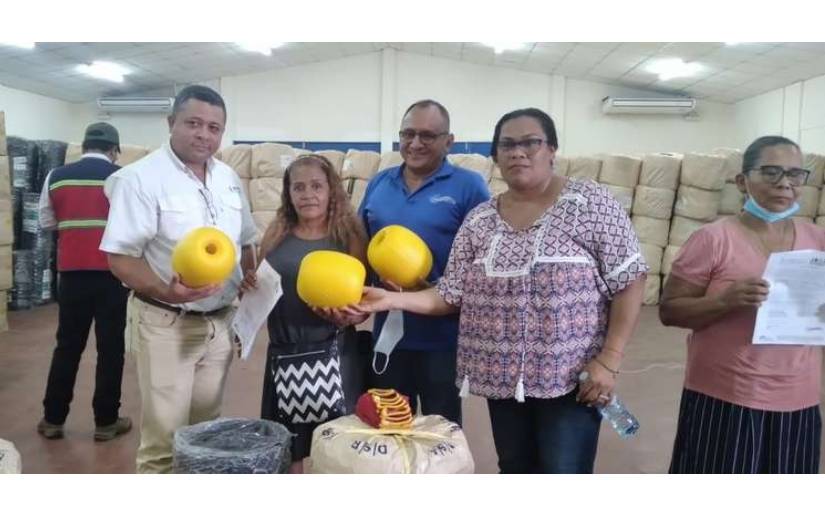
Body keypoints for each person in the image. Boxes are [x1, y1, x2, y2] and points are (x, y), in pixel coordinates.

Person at [356, 107, 648, 473]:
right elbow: (450, 293)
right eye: (507, 144)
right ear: (495, 155)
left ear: (552, 149)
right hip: (503, 382)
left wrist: (610, 358)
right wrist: (390, 298)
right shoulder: (482, 220)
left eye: (531, 142)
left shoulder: (590, 203)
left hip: (571, 379)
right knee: (514, 468)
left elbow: (630, 278)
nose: (518, 152)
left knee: (563, 472)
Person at [100, 85, 258, 473]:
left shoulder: (228, 177)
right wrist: (163, 288)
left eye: (214, 127)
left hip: (218, 323)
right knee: (164, 442)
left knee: (206, 435)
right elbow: (119, 257)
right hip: (167, 322)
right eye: (193, 123)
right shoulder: (140, 179)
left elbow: (247, 237)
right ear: (171, 123)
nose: (204, 134)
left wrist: (252, 273)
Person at [660, 135, 823, 474]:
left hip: (799, 396)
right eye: (771, 172)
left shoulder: (817, 242)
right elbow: (670, 310)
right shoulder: (713, 239)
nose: (784, 184)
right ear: (742, 181)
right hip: (728, 395)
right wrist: (724, 301)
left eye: (795, 174)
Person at [358, 99, 490, 425]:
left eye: (427, 136)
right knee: (388, 424)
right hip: (388, 333)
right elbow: (360, 245)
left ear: (449, 141)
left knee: (439, 430)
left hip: (443, 337)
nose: (415, 144)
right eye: (408, 134)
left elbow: (485, 258)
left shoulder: (469, 186)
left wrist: (437, 286)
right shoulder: (379, 183)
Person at [241, 154, 368, 474]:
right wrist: (249, 283)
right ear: (288, 193)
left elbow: (365, 298)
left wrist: (351, 317)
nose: (308, 194)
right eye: (298, 187)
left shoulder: (349, 235)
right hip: (285, 352)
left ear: (331, 191)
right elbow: (262, 283)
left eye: (316, 186)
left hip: (335, 351)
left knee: (338, 444)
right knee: (288, 446)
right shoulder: (277, 232)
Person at [36, 122, 131, 442]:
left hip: (72, 276)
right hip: (113, 276)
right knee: (110, 348)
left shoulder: (57, 176)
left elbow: (46, 221)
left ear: (84, 146)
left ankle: (53, 419)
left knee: (67, 346)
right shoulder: (122, 178)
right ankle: (106, 422)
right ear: (113, 150)